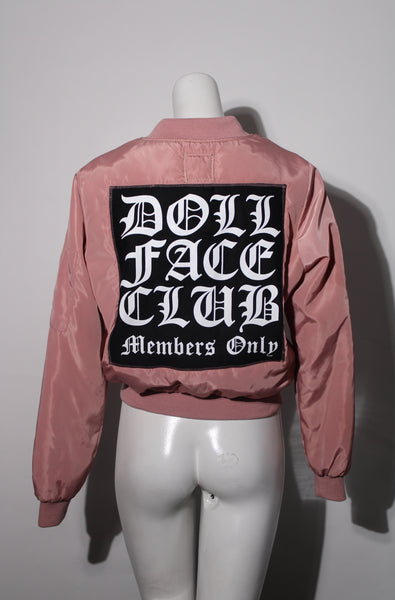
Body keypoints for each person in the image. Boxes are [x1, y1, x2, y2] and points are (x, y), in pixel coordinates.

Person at [33, 73, 354, 600]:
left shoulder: (100, 178)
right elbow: (326, 330)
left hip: (147, 445)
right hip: (248, 447)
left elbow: (72, 335)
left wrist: (55, 481)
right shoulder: (293, 176)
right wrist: (329, 461)